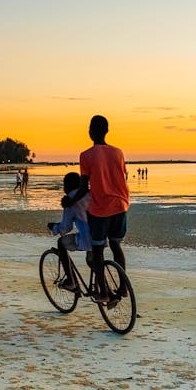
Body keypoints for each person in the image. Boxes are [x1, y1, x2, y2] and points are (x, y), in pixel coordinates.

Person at [64, 115, 129, 303]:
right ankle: (123, 288)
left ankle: (103, 292)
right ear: (107, 131)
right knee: (116, 245)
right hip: (121, 205)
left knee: (98, 250)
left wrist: (70, 202)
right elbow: (122, 177)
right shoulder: (118, 152)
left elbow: (84, 186)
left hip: (101, 210)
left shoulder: (86, 155)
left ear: (90, 132)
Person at [48, 172, 92, 290]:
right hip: (102, 235)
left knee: (61, 243)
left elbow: (66, 228)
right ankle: (102, 287)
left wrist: (55, 227)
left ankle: (71, 281)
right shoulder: (91, 193)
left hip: (87, 238)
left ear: (68, 185)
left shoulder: (70, 200)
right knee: (93, 261)